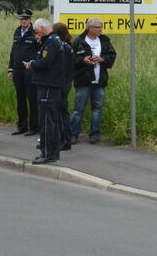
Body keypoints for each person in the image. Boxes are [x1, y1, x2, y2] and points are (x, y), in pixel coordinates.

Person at [70, 17, 117, 144]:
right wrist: (83, 61)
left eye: (101, 26)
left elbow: (112, 56)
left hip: (99, 81)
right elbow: (71, 59)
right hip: (83, 81)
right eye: (98, 27)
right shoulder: (79, 41)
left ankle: (94, 135)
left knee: (97, 109)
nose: (100, 29)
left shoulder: (104, 41)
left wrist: (102, 59)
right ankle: (72, 135)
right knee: (78, 109)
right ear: (89, 28)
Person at [25, 18, 65, 164]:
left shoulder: (51, 42)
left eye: (37, 31)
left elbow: (45, 63)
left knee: (47, 120)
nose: (36, 34)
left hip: (48, 85)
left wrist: (32, 64)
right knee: (51, 120)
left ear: (42, 28)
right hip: (49, 84)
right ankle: (51, 152)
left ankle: (47, 153)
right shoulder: (52, 40)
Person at [8, 9, 39, 136]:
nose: (23, 21)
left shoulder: (35, 32)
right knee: (20, 98)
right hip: (17, 69)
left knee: (32, 98)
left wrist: (35, 65)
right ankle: (22, 126)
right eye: (21, 19)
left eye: (26, 19)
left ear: (30, 20)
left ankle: (34, 127)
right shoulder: (17, 31)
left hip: (29, 69)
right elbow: (13, 51)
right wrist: (10, 68)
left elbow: (40, 51)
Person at [53, 22, 74, 152]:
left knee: (61, 112)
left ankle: (65, 140)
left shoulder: (62, 47)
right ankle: (64, 139)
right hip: (66, 81)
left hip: (62, 82)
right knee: (62, 111)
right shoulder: (68, 45)